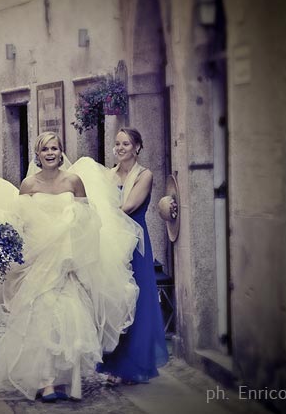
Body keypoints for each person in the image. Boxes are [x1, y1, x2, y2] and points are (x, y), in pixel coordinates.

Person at [0, 132, 141, 402]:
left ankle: (68, 382)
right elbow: (21, 223)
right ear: (37, 155)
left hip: (67, 259)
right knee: (41, 319)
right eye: (45, 149)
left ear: (61, 151)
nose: (50, 153)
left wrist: (73, 246)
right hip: (39, 261)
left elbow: (89, 220)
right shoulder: (28, 185)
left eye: (54, 148)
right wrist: (8, 243)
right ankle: (46, 382)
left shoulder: (74, 182)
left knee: (68, 319)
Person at [96, 127, 169, 385]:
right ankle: (113, 363)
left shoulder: (144, 175)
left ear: (137, 146)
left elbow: (128, 207)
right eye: (117, 143)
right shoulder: (106, 175)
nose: (120, 147)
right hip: (110, 244)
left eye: (126, 143)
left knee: (136, 301)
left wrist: (102, 210)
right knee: (115, 301)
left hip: (135, 243)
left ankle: (133, 363)